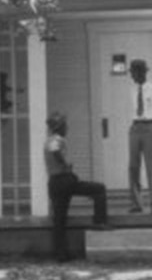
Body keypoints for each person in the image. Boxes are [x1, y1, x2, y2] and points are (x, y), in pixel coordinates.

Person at [44, 111, 110, 262]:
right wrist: (65, 164)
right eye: (65, 125)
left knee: (59, 219)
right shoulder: (56, 139)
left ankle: (61, 254)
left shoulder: (49, 140)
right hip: (64, 181)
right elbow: (55, 151)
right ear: (59, 127)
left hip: (54, 183)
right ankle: (100, 222)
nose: (67, 128)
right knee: (99, 189)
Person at [128, 59, 152, 214]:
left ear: (143, 72)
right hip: (134, 127)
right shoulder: (131, 89)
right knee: (133, 166)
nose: (132, 75)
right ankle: (136, 203)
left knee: (151, 166)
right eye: (132, 72)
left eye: (135, 72)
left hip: (150, 127)